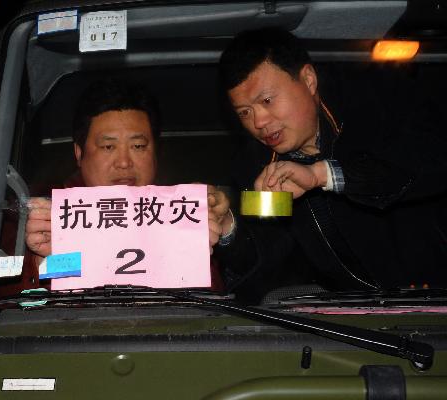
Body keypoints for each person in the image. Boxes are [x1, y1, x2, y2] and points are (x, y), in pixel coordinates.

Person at [218, 28, 447, 292]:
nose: (259, 122)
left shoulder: (376, 102)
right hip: (356, 315)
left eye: (267, 100)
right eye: (245, 112)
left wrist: (325, 175)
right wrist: (229, 230)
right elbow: (270, 258)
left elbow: (427, 161)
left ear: (308, 80)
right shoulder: (257, 169)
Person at [22, 79, 234, 289]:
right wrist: (44, 262)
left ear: (155, 153)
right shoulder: (45, 218)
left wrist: (219, 225)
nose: (124, 162)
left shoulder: (177, 213)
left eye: (138, 146)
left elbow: (210, 305)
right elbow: (11, 305)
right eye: (108, 147)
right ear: (79, 153)